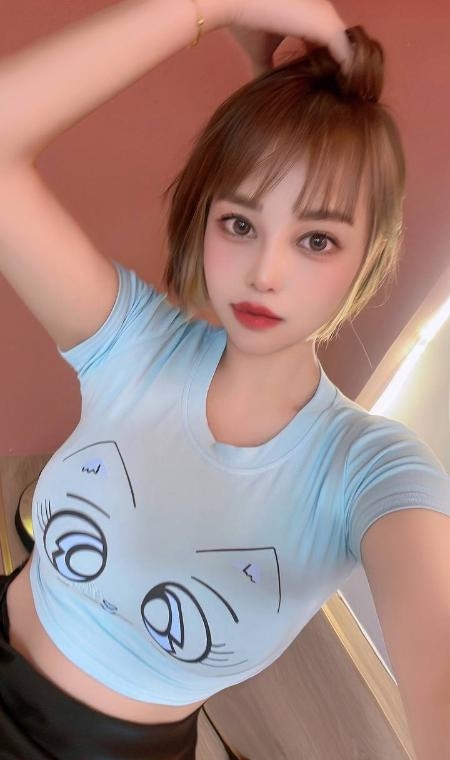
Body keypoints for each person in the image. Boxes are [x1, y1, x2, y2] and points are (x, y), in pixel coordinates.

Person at [0, 1, 449, 758]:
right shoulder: (135, 345)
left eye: (316, 239)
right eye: (240, 224)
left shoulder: (369, 469)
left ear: (368, 256)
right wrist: (209, 6)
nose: (265, 273)